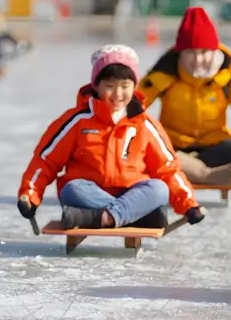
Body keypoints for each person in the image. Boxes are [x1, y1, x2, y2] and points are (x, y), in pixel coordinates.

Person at [17, 45, 203, 231]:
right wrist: (30, 195)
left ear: (134, 86)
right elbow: (45, 160)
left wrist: (189, 204)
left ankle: (101, 218)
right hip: (89, 194)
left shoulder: (144, 124)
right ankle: (135, 216)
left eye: (125, 86)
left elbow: (168, 169)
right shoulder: (77, 121)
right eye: (109, 86)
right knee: (72, 189)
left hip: (132, 192)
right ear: (96, 86)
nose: (118, 94)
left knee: (159, 189)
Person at [139, 7, 231, 187]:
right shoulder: (164, 75)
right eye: (190, 52)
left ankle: (185, 168)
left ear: (214, 50)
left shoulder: (229, 77)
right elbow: (133, 107)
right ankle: (202, 173)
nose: (197, 59)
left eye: (203, 52)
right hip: (173, 143)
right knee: (151, 147)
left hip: (212, 145)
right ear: (180, 53)